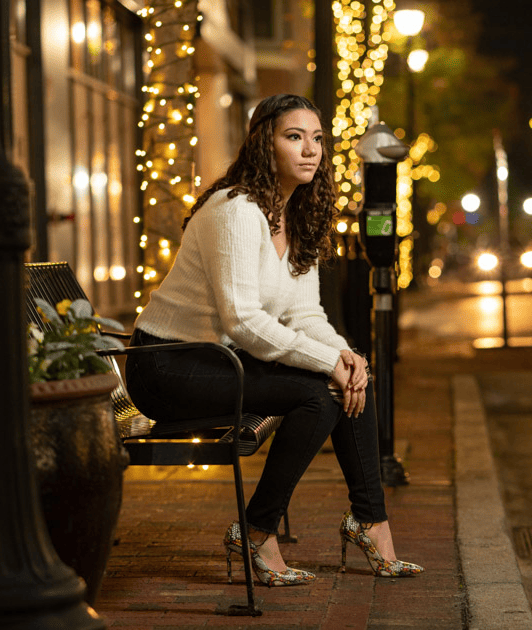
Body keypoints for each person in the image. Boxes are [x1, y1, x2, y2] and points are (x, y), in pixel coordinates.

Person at [124, 94, 423, 587]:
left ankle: (371, 523)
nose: (310, 150)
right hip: (165, 367)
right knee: (317, 391)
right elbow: (242, 320)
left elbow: (304, 313)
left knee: (349, 374)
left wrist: (344, 357)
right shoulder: (237, 210)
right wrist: (328, 362)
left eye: (317, 138)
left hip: (220, 360)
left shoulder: (295, 214)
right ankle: (257, 532)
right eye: (294, 137)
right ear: (265, 143)